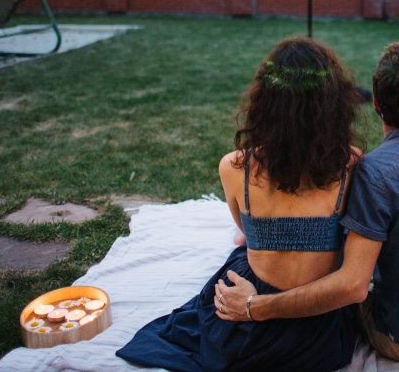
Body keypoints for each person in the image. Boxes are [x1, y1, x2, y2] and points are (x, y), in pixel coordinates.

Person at [217, 41, 399, 363]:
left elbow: (352, 287)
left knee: (305, 266)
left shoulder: (373, 173)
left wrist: (253, 307)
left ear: (375, 103)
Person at [116, 36, 364, 372]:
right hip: (317, 331)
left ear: (265, 102)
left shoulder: (233, 168)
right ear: (335, 104)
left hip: (249, 328)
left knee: (242, 247)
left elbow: (243, 228)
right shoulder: (352, 164)